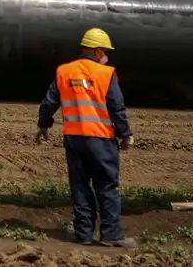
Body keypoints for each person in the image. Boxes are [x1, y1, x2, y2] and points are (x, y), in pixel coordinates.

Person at [36, 27, 136, 248]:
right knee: (107, 187)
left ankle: (83, 234)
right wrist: (125, 134)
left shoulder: (64, 71)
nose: (105, 55)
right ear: (96, 50)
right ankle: (111, 235)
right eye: (104, 51)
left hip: (74, 139)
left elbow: (49, 102)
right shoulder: (106, 74)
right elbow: (116, 107)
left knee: (80, 186)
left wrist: (43, 125)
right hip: (100, 139)